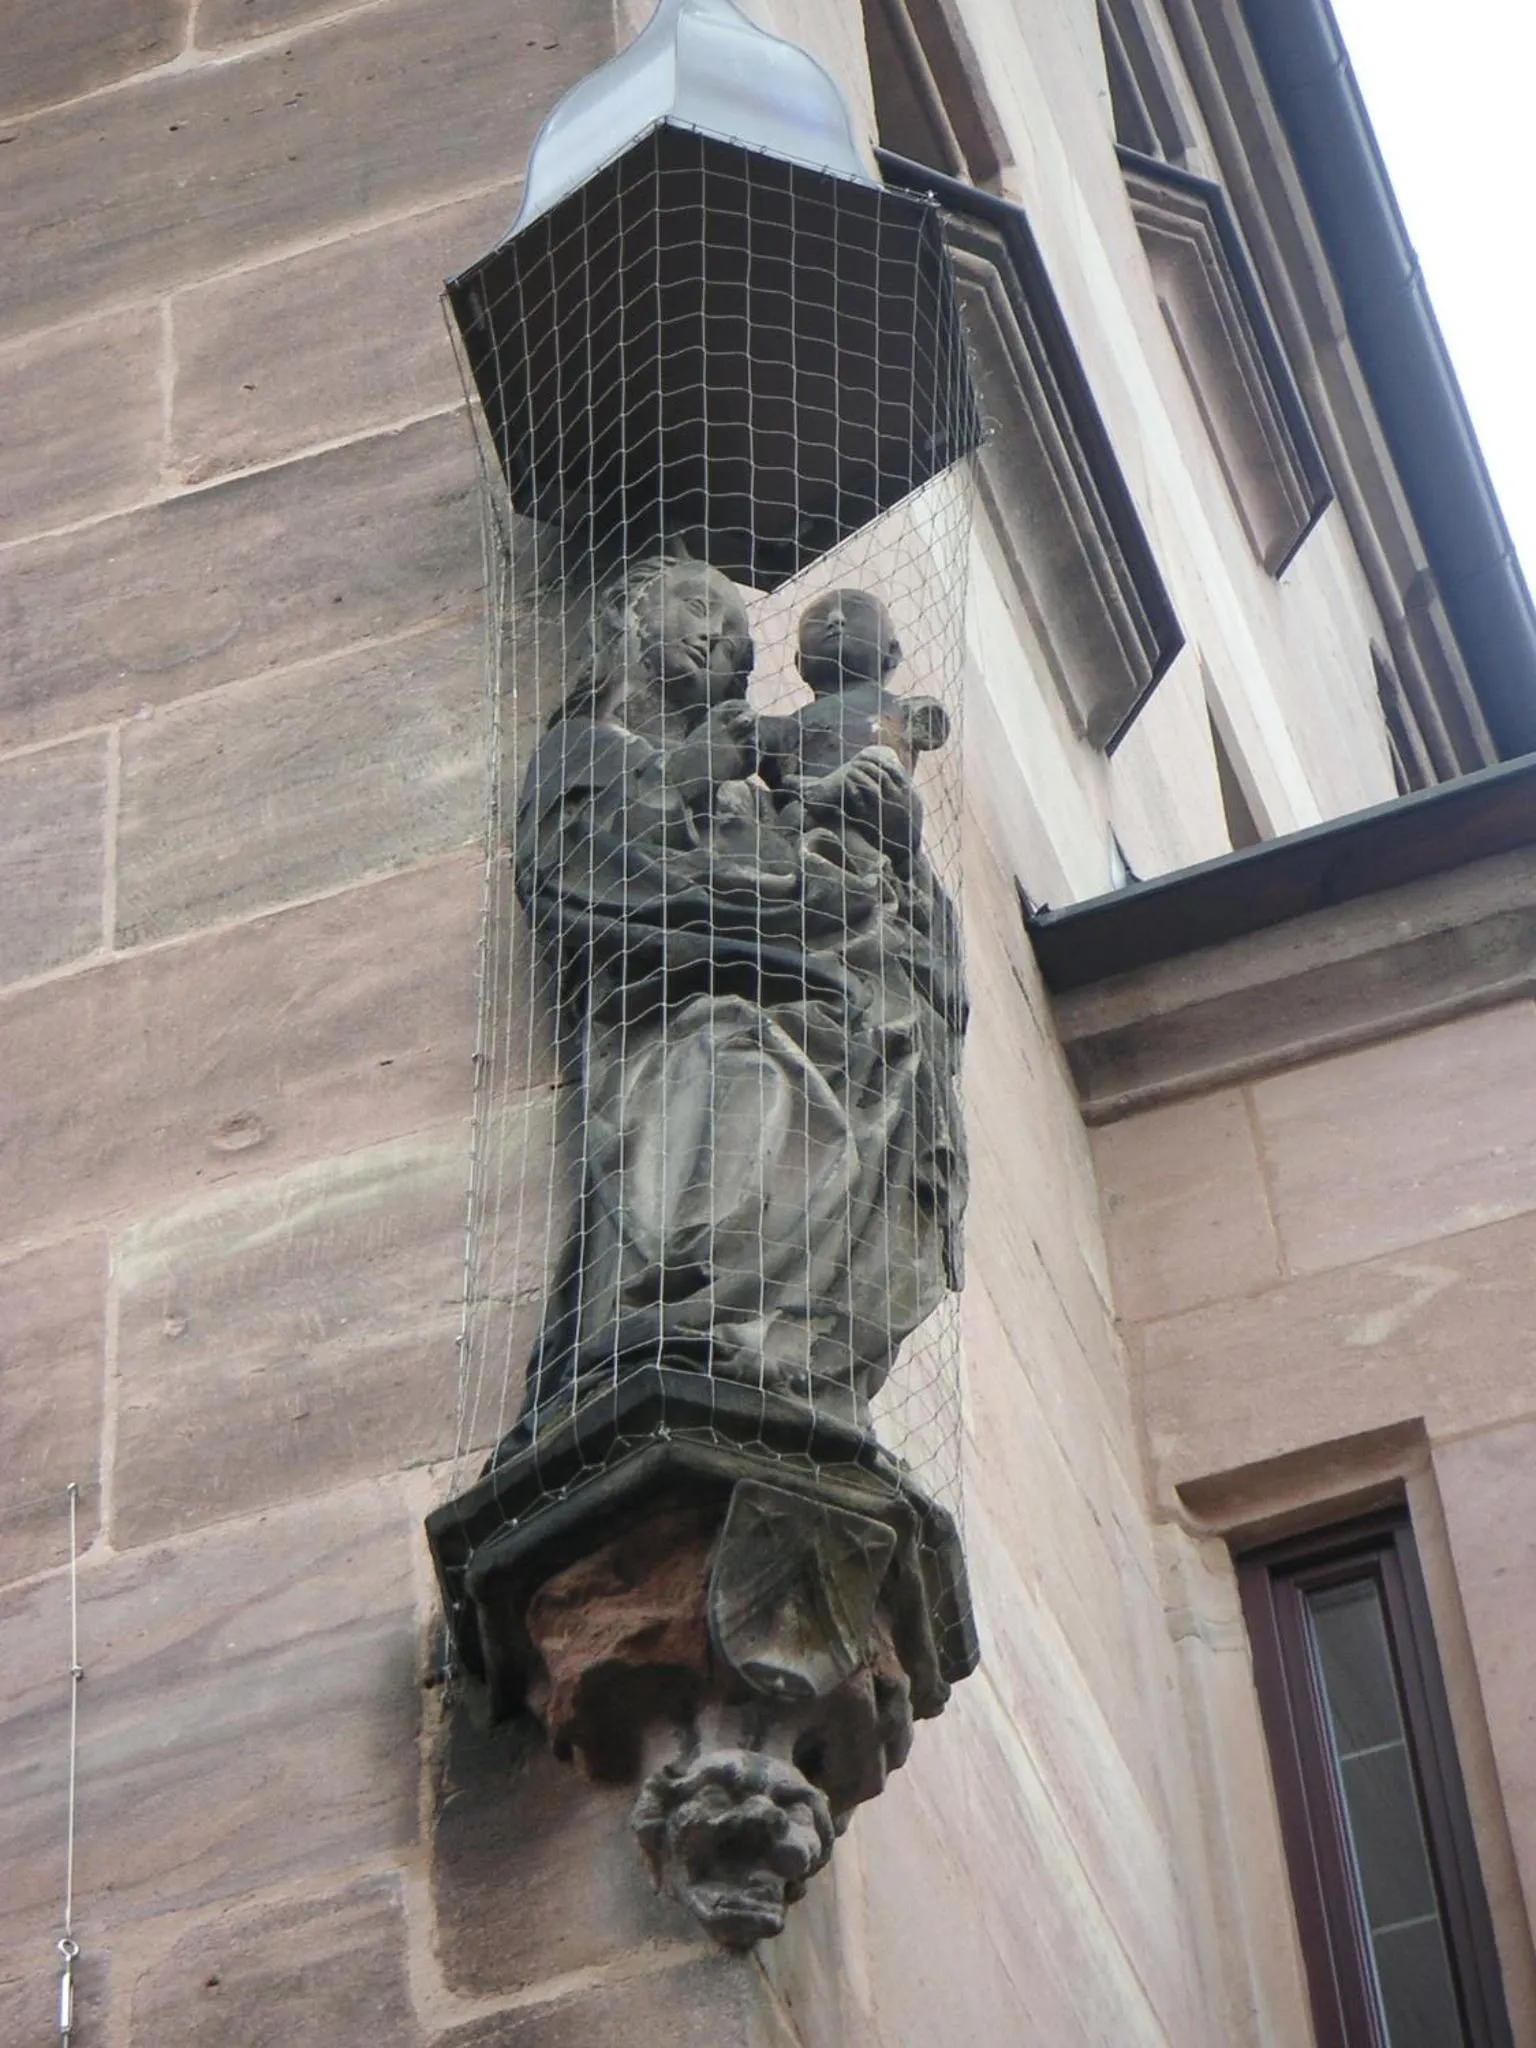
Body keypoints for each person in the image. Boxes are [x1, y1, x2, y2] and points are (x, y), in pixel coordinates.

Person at [505, 553, 967, 1445]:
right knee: (734, 1060)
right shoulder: (594, 748)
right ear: (629, 618)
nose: (718, 635)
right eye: (697, 605)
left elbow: (850, 902)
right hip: (681, 1025)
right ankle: (687, 1316)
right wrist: (688, 776)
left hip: (812, 1012)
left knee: (874, 1075)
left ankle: (783, 1339)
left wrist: (892, 841)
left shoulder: (750, 797)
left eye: (739, 641)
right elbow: (580, 874)